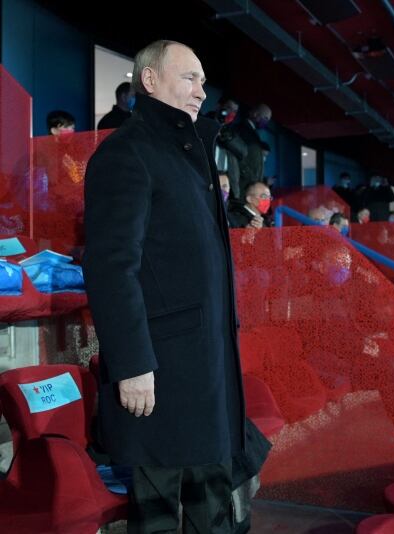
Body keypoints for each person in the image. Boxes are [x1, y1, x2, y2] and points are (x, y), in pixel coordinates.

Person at [83, 40, 261, 533]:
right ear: (150, 80)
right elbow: (111, 266)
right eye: (189, 78)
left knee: (215, 515)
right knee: (158, 517)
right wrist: (133, 363)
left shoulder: (193, 156)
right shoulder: (126, 153)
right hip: (159, 375)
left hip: (206, 370)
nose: (201, 91)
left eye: (203, 81)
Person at [234, 104, 272, 195]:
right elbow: (239, 157)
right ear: (255, 114)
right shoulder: (242, 129)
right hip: (244, 186)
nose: (266, 121)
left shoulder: (253, 132)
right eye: (265, 118)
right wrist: (251, 177)